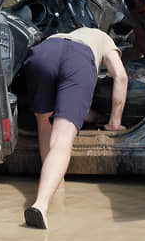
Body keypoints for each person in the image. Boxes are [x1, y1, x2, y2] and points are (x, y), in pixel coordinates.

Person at [21, 27, 128, 230]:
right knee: (62, 139)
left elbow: (65, 101)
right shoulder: (104, 39)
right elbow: (120, 77)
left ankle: (56, 187)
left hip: (44, 53)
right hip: (78, 60)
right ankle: (40, 204)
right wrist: (114, 122)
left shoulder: (64, 33)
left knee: (45, 125)